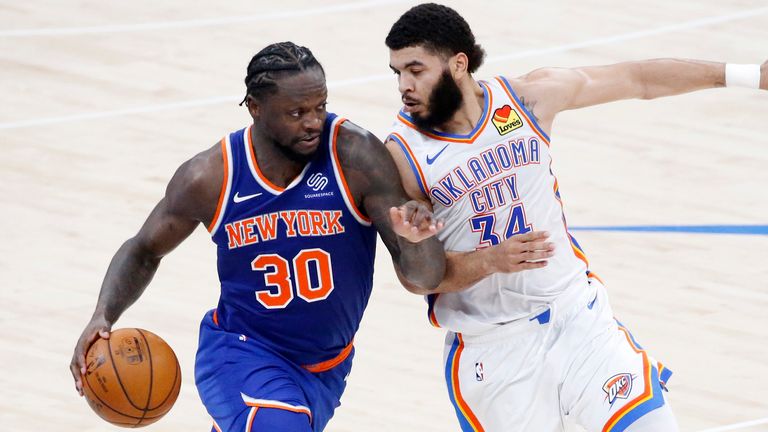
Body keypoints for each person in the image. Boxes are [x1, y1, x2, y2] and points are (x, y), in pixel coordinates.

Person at [383, 3, 767, 432]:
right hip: (495, 350)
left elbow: (638, 78)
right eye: (397, 72)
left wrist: (751, 76)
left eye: (415, 70)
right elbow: (418, 278)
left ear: (458, 64)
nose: (404, 85)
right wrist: (490, 260)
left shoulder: (526, 99)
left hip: (579, 318)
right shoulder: (403, 154)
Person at [69, 41, 450, 432]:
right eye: (297, 112)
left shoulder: (356, 155)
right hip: (241, 353)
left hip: (325, 370)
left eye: (320, 106)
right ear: (255, 107)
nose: (313, 122)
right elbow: (144, 250)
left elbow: (425, 279)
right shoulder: (210, 177)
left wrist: (416, 240)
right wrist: (102, 315)